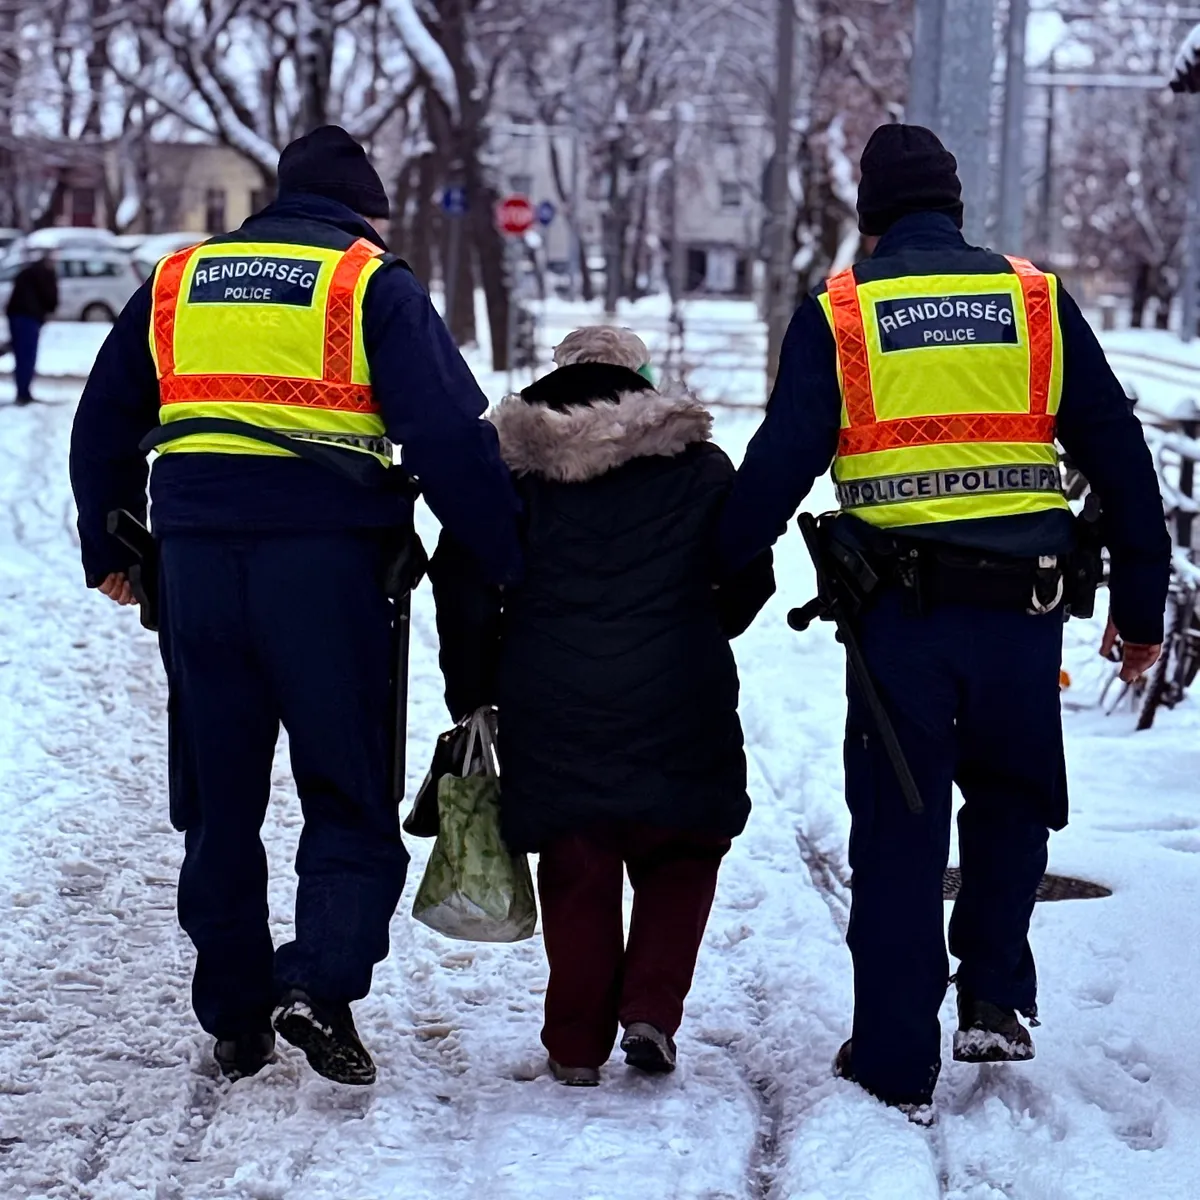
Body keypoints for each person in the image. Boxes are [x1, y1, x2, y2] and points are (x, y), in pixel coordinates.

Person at [719, 124, 1171, 1118]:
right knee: (1013, 797)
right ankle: (997, 997)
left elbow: (777, 467)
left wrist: (701, 577)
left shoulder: (841, 314)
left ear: (869, 220)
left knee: (899, 830)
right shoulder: (1037, 304)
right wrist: (1144, 610)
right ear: (958, 211)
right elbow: (1124, 461)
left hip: (897, 626)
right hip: (1022, 617)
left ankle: (892, 1055)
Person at [69, 125, 523, 1086]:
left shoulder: (178, 279)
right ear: (365, 210)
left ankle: (235, 1011)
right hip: (329, 572)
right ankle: (318, 984)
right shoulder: (370, 282)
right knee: (346, 785)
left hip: (195, 569)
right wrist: (504, 553)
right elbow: (448, 435)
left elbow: (103, 419)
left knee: (219, 796)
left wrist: (110, 545)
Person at [430, 328, 774, 1086]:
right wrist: (702, 623)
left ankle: (575, 1047)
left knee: (577, 855)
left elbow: (459, 576)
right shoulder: (700, 463)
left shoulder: (510, 470)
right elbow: (749, 575)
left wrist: (474, 685)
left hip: (549, 691)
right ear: (638, 379)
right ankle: (650, 1008)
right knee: (683, 846)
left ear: (563, 374)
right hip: (681, 684)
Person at [7, 252, 58, 405]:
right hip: (28, 317)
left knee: (21, 354)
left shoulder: (27, 273)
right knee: (26, 356)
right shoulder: (45, 275)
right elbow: (50, 298)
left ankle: (23, 391)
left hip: (17, 314)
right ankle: (23, 393)